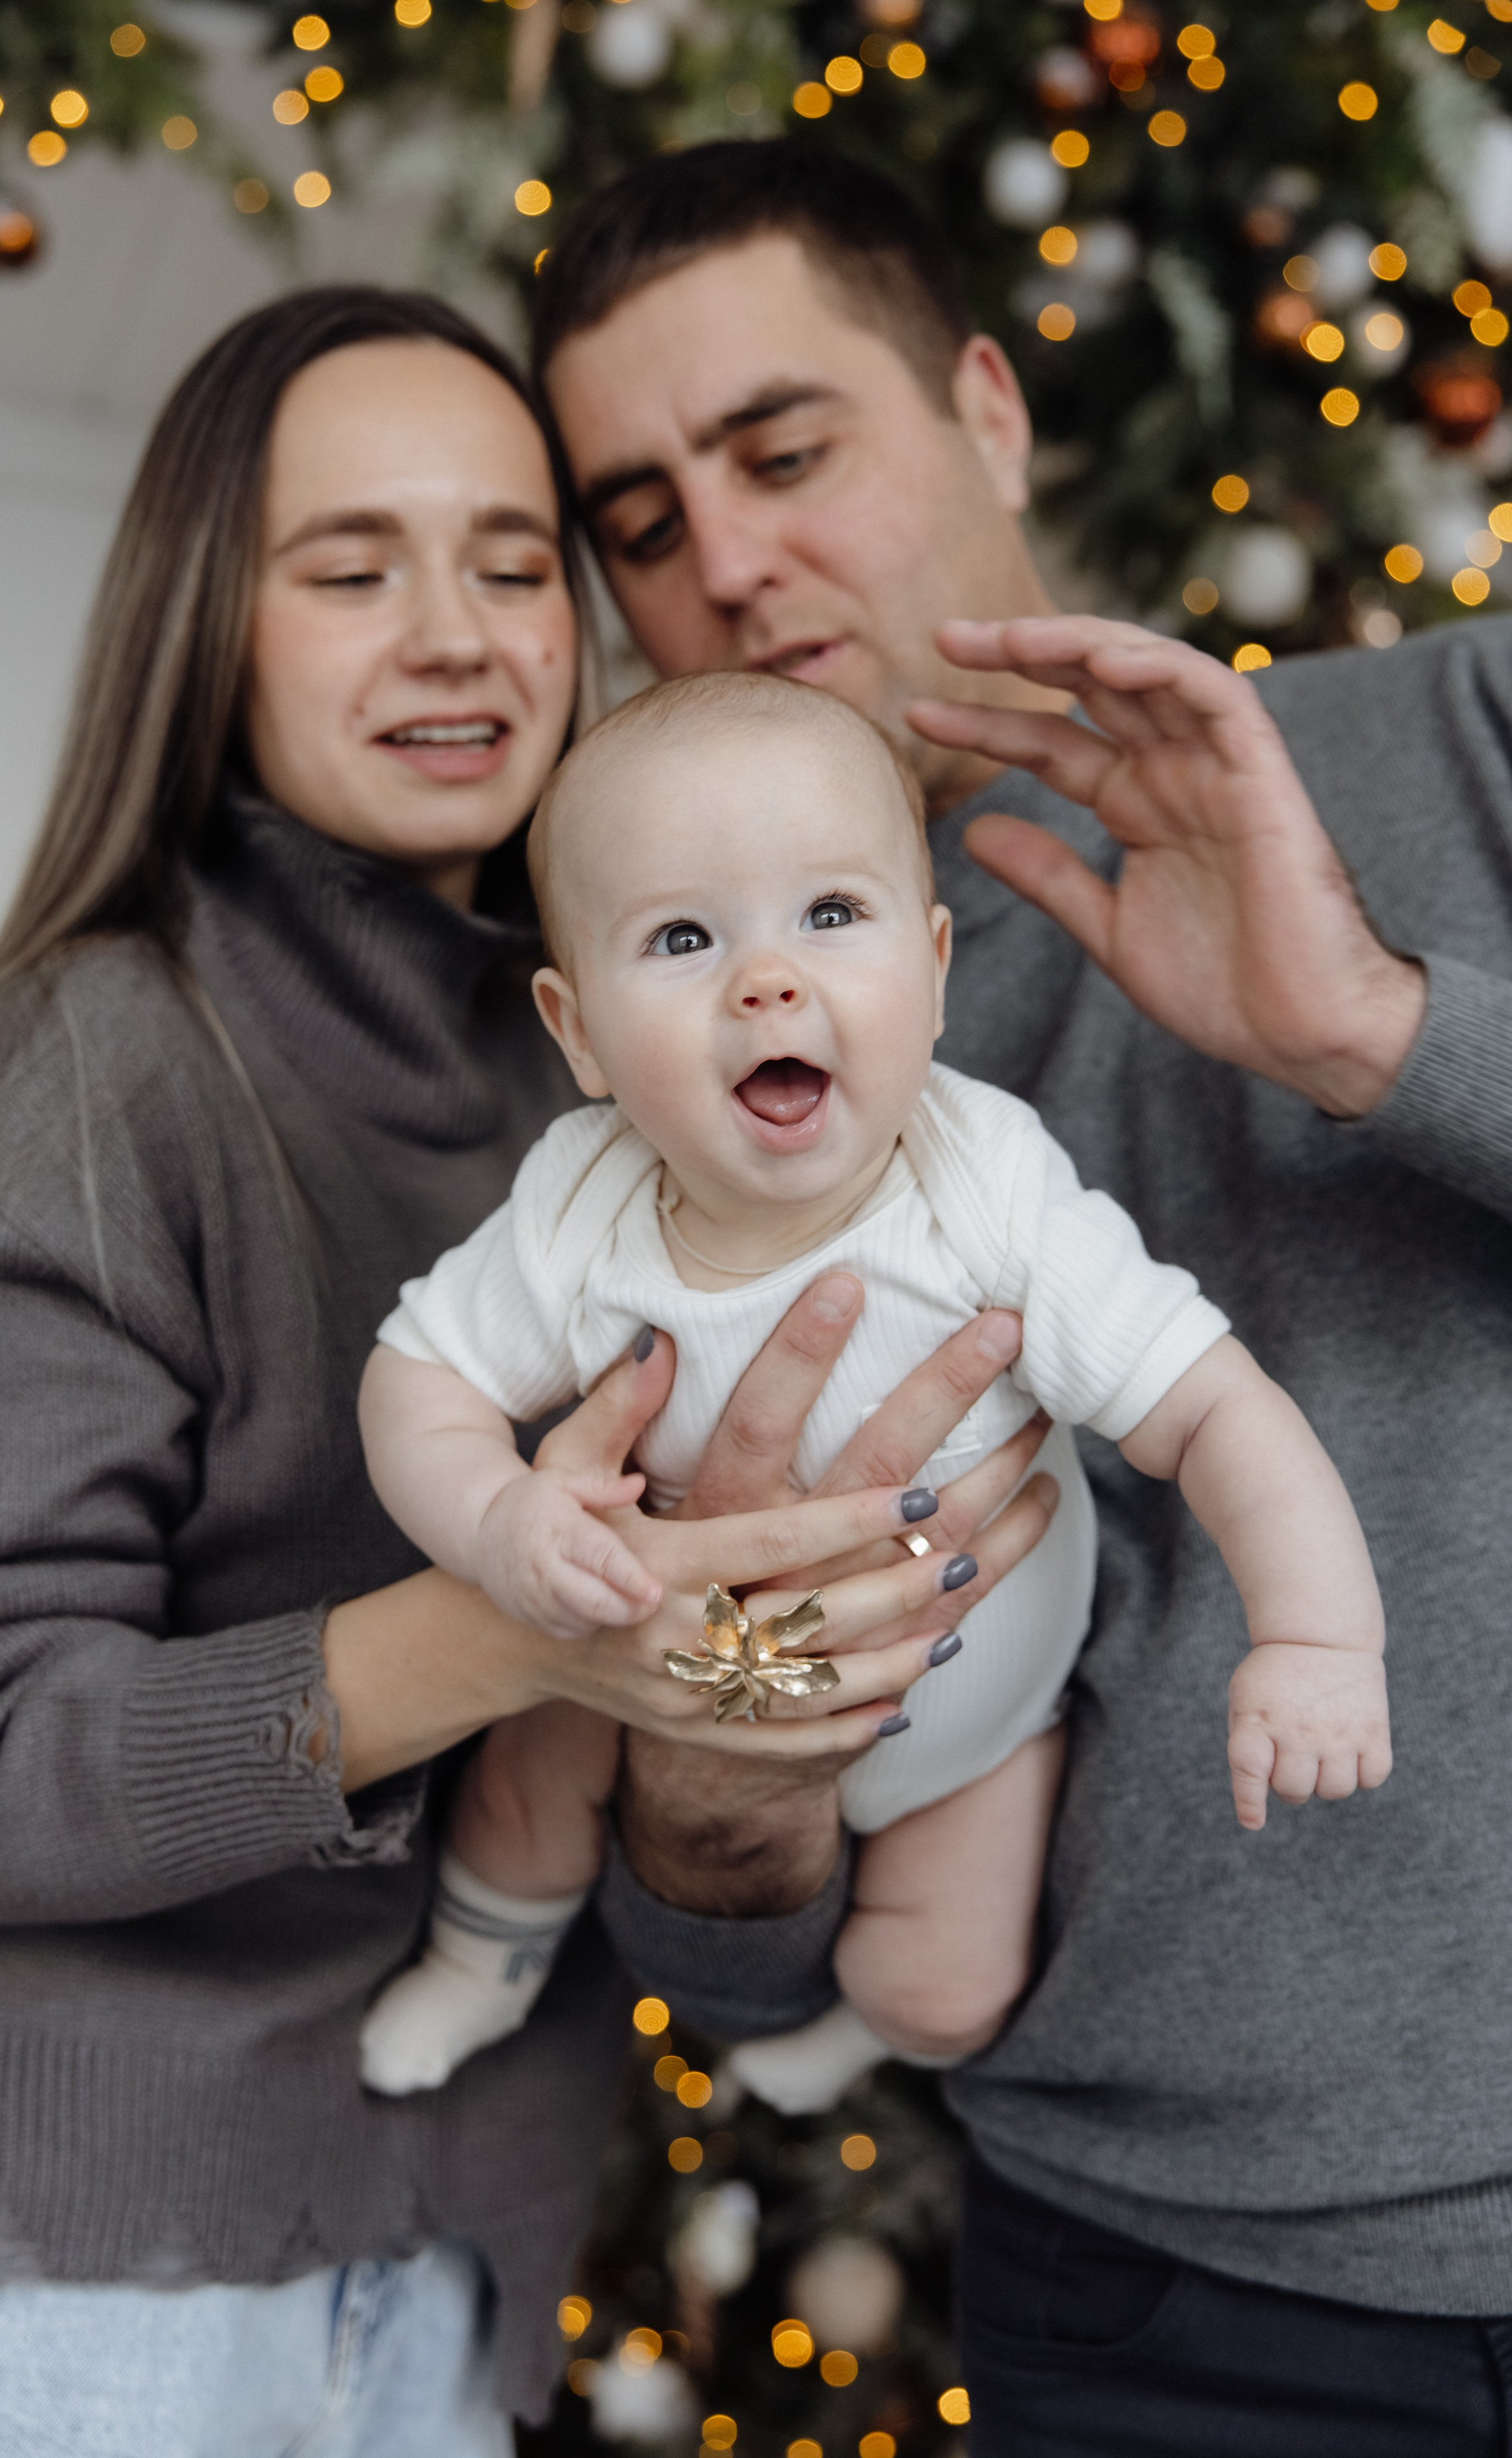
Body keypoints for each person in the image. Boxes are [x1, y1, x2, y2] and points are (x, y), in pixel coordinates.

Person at [0, 284, 1042, 2457]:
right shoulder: (78, 1079)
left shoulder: (631, 1076)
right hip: (76, 2281)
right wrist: (511, 1632)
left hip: (443, 2247)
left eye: (516, 565)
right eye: (353, 568)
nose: (462, 635)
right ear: (204, 624)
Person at [531, 141, 1512, 2450]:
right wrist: (721, 1750)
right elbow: (706, 1929)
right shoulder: (662, 1125)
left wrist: (1371, 1025)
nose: (732, 559)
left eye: (785, 451)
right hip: (1165, 2317)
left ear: (987, 408)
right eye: (646, 522)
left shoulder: (1459, 747)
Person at [353, 668, 1387, 2114]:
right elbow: (417, 1377)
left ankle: (866, 2037)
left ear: (937, 963)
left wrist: (1316, 1639)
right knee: (521, 1803)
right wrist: (495, 1526)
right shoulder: (576, 1210)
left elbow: (1214, 1407)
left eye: (831, 915)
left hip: (974, 1715)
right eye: (680, 937)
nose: (766, 981)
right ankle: (482, 1963)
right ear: (575, 1029)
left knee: (942, 1986)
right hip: (655, 1669)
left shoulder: (989, 1191)